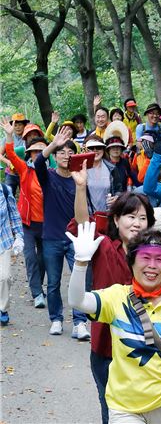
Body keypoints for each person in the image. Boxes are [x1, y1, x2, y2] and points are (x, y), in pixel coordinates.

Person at [67, 224, 161, 422]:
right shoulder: (116, 296)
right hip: (123, 406)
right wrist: (80, 263)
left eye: (159, 259)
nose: (152, 265)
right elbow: (77, 301)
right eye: (145, 257)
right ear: (131, 262)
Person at [68, 164, 156, 424]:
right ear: (116, 220)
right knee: (111, 410)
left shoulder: (156, 256)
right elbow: (83, 226)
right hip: (107, 346)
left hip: (146, 345)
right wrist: (81, 187)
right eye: (130, 216)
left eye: (142, 218)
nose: (136, 223)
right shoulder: (104, 246)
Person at [34, 126, 90, 337]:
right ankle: (56, 319)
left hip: (75, 237)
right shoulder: (47, 177)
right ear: (55, 156)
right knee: (54, 282)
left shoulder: (79, 179)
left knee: (79, 279)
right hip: (51, 237)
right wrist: (52, 144)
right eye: (61, 152)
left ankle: (79, 322)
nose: (66, 156)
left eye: (70, 152)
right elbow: (38, 162)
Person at [1, 117, 46, 308]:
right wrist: (9, 135)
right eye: (33, 152)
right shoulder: (25, 169)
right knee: (30, 258)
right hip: (27, 223)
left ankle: (39, 287)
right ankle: (37, 292)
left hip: (46, 224)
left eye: (40, 152)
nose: (36, 155)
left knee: (43, 258)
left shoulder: (51, 171)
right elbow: (10, 153)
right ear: (29, 153)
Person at [0, 181, 24, 326]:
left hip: (3, 240)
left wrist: (19, 236)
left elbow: (14, 216)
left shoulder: (5, 190)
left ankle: (2, 309)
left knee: (5, 277)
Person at [83, 135, 123, 213]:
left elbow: (119, 189)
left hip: (108, 214)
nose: (95, 150)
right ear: (85, 150)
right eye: (91, 148)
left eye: (98, 147)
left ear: (103, 149)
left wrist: (117, 197)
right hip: (88, 216)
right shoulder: (81, 169)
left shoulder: (112, 168)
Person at [0, 113, 28, 196]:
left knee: (26, 195)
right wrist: (7, 162)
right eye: (15, 125)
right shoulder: (7, 138)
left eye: (20, 125)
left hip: (25, 173)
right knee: (8, 195)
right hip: (11, 173)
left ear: (24, 125)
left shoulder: (28, 137)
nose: (18, 127)